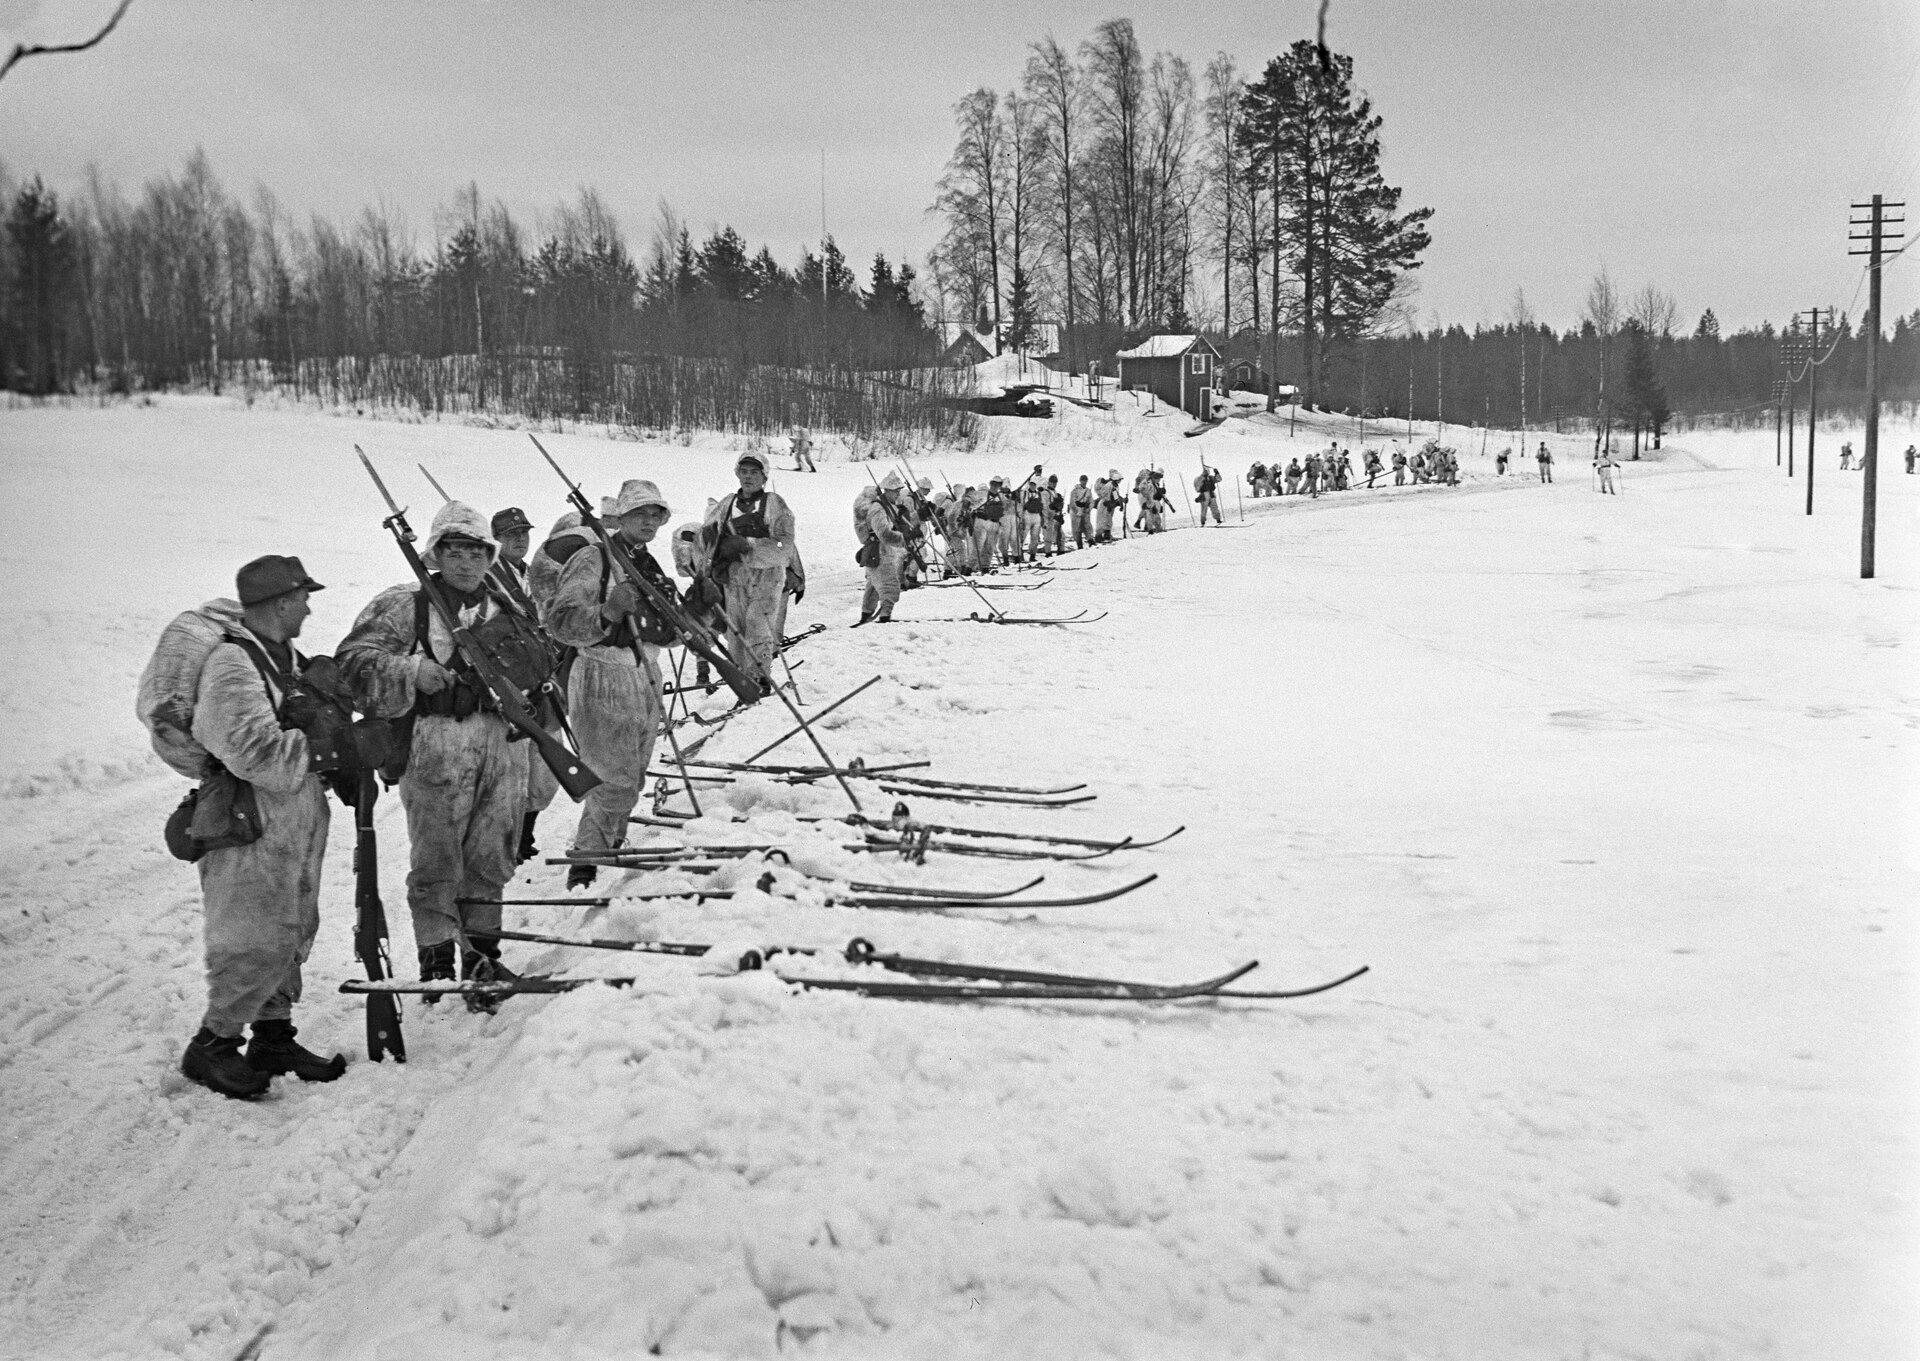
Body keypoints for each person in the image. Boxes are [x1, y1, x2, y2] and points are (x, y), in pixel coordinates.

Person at [340, 504, 533, 999]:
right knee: (437, 858)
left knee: (492, 852)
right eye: (455, 551)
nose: (467, 563)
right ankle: (437, 961)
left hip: (499, 738)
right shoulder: (407, 603)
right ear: (437, 554)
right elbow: (352, 663)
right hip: (436, 738)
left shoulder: (504, 601)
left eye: (476, 551)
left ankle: (484, 955)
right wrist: (410, 673)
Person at [179, 554, 348, 1098]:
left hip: (290, 814)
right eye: (303, 597)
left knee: (292, 924)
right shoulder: (233, 665)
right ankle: (213, 1044)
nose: (308, 607)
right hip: (250, 819)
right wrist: (330, 747)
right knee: (251, 932)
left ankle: (273, 1035)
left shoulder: (279, 658)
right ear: (281, 602)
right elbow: (254, 754)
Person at [541, 480, 675, 891]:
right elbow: (560, 621)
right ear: (622, 517)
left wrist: (698, 607)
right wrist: (608, 610)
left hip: (644, 673)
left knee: (632, 774)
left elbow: (666, 630)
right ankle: (588, 859)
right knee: (610, 776)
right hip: (603, 673)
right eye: (640, 513)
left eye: (656, 514)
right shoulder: (595, 557)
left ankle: (609, 843)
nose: (649, 521)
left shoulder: (646, 562)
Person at [491, 506, 556, 863]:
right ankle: (510, 842)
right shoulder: (489, 579)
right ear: (495, 540)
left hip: (542, 678)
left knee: (543, 773)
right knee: (514, 771)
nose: (519, 539)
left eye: (523, 532)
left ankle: (525, 836)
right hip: (512, 682)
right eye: (510, 534)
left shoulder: (531, 575)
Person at [701, 453, 797, 693]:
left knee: (758, 625)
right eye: (744, 471)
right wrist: (711, 540)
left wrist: (747, 545)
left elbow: (784, 545)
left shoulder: (774, 504)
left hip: (767, 575)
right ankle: (742, 680)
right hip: (735, 576)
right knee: (736, 629)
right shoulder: (727, 504)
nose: (748, 477)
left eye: (754, 472)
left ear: (764, 476)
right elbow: (707, 536)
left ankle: (760, 679)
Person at [857, 471, 912, 622]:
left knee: (874, 586)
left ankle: (866, 615)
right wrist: (904, 539)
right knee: (889, 585)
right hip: (879, 551)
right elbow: (884, 534)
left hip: (880, 551)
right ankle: (885, 618)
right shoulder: (878, 509)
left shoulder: (886, 507)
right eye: (895, 491)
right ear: (887, 491)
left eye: (899, 491)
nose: (898, 494)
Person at [1068, 475, 1094, 548]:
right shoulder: (1075, 491)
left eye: (1085, 480)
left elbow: (1092, 501)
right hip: (1077, 511)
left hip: (1085, 511)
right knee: (1077, 528)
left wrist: (1089, 508)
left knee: (1087, 526)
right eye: (1083, 480)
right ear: (1080, 481)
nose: (1084, 482)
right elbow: (1072, 502)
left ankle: (1091, 541)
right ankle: (1079, 544)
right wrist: (1077, 510)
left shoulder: (1088, 491)